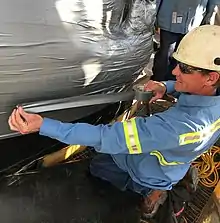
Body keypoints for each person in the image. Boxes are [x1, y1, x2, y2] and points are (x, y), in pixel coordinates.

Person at [8, 25, 220, 218]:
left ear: (211, 77)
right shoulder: (212, 98)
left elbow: (105, 136)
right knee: (99, 168)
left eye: (184, 69)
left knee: (112, 190)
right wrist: (166, 87)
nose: (174, 71)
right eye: (178, 65)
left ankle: (154, 194)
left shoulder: (177, 129)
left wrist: (43, 125)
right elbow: (188, 89)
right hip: (161, 161)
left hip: (143, 173)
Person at [152, 0, 220, 81]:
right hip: (170, 18)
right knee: (166, 54)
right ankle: (158, 82)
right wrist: (153, 17)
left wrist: (209, 16)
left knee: (183, 56)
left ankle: (173, 83)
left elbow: (214, 2)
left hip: (194, 22)